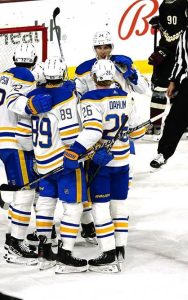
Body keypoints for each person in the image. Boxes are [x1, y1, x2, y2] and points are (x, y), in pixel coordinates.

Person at [67, 59, 146, 273]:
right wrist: (123, 134)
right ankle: (120, 251)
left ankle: (108, 255)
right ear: (112, 77)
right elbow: (138, 132)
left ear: (93, 78)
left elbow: (92, 132)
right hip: (123, 161)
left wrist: (75, 150)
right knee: (119, 205)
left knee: (100, 207)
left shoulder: (89, 99)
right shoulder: (127, 96)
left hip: (102, 164)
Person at [74, 30, 150, 244]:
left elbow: (145, 89)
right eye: (99, 47)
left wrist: (133, 73)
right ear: (94, 49)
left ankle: (114, 226)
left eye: (107, 46)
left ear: (112, 47)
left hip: (121, 136)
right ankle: (91, 224)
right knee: (91, 185)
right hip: (96, 137)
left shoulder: (123, 66)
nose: (103, 51)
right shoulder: (84, 70)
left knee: (123, 184)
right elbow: (77, 98)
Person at [0, 43, 47, 266]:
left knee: (23, 189)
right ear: (34, 59)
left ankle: (15, 237)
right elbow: (18, 104)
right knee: (26, 190)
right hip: (11, 140)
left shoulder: (5, 75)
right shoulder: (26, 75)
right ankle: (15, 244)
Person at [23, 56, 88, 273]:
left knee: (45, 204)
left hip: (41, 162)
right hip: (63, 162)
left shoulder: (32, 96)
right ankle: (65, 255)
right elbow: (70, 136)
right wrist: (83, 152)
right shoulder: (66, 96)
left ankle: (44, 252)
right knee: (72, 206)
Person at [147, 0, 188, 139]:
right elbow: (170, 28)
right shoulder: (164, 4)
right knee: (159, 88)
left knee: (180, 88)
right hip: (166, 51)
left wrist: (167, 48)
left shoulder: (185, 3)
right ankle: (156, 124)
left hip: (182, 53)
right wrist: (159, 22)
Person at [151, 27, 188, 168]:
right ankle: (163, 153)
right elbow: (180, 60)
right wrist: (173, 81)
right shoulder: (185, 34)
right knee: (174, 119)